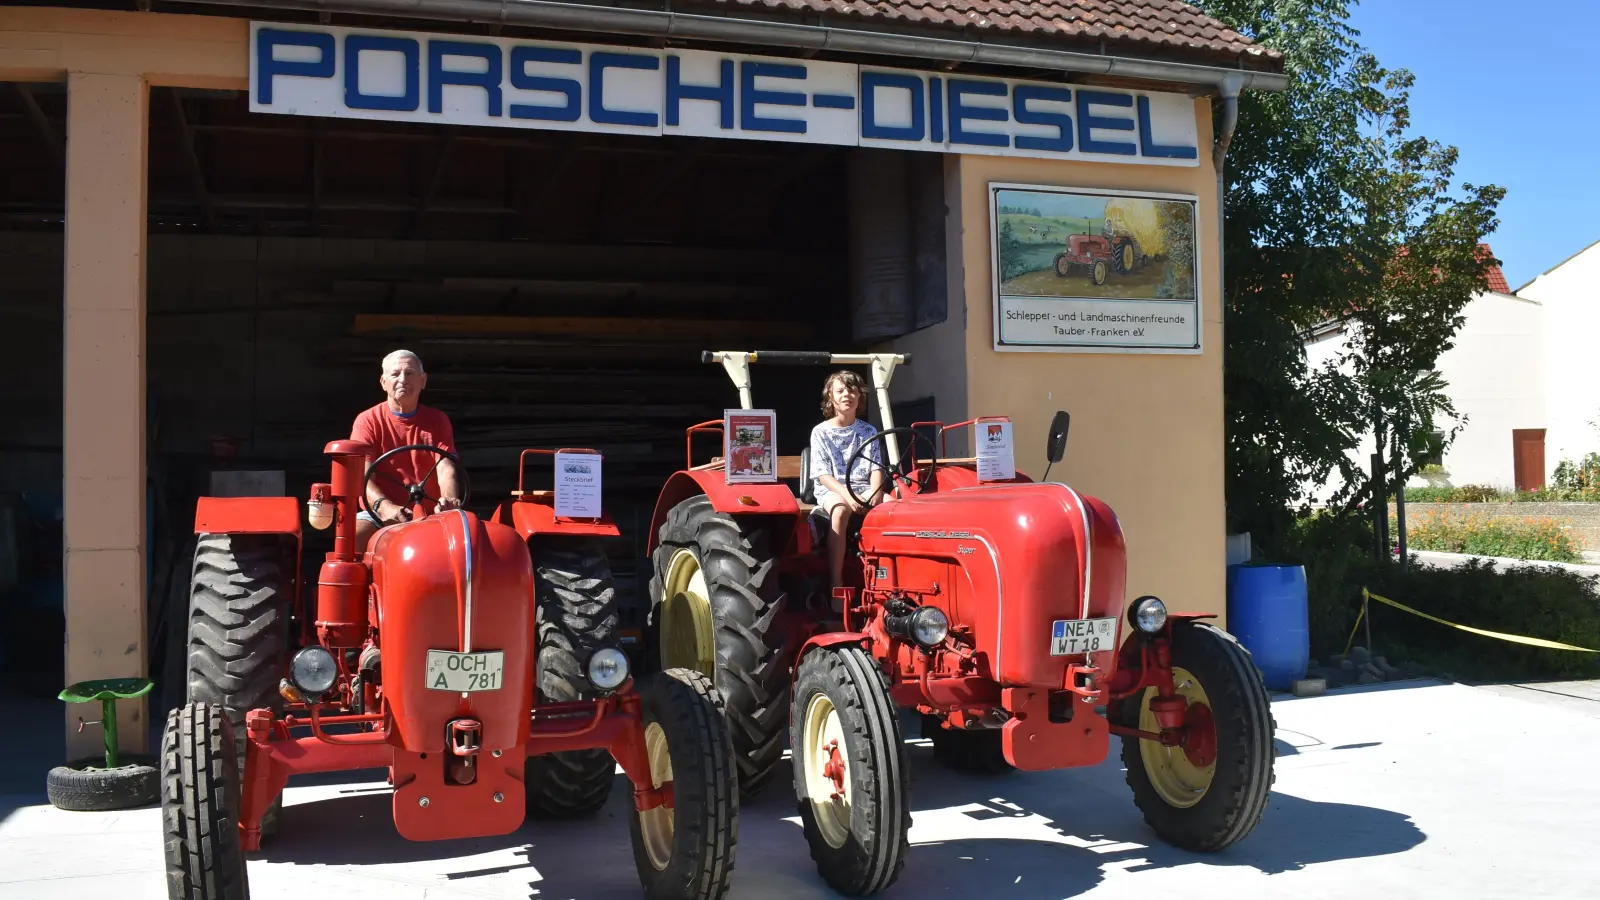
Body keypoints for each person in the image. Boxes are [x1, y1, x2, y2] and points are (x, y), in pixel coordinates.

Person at [350, 349, 464, 550]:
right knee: (352, 540)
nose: (403, 380)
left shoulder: (438, 420)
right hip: (381, 514)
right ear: (384, 382)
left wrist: (448, 502)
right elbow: (363, 473)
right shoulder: (367, 421)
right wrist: (384, 507)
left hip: (432, 513)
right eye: (395, 374)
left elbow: (445, 466)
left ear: (423, 381)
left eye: (410, 373)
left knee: (467, 544)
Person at [809, 370, 888, 590]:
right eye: (840, 390)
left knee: (894, 509)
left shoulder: (868, 430)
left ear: (859, 396)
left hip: (865, 488)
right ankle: (837, 582)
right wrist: (848, 497)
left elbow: (876, 467)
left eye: (852, 390)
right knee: (841, 510)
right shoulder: (820, 432)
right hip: (834, 490)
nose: (847, 395)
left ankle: (889, 578)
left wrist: (876, 494)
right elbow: (823, 475)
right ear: (830, 398)